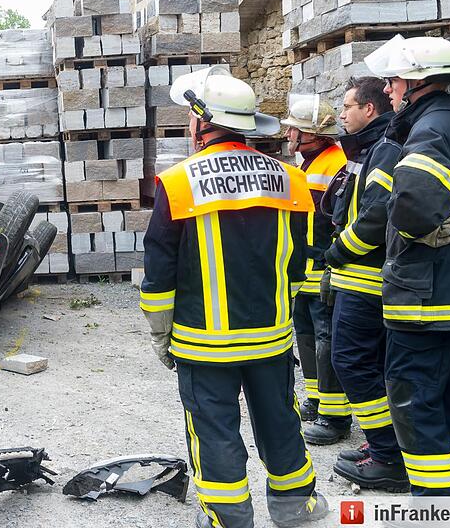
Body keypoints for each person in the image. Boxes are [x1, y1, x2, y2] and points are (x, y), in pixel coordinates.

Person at [141, 66, 328, 528]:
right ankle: (295, 506)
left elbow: (159, 271)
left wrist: (161, 335)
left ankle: (228, 518)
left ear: (203, 122)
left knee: (214, 429)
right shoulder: (291, 180)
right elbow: (300, 263)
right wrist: (281, 313)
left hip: (203, 342)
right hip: (271, 337)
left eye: (191, 116)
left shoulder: (178, 183)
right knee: (280, 420)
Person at [364, 35, 450, 496]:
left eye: (393, 81)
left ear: (415, 82)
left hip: (427, 298)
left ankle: (435, 506)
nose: (388, 91)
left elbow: (416, 203)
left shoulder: (429, 130)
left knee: (414, 401)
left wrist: (413, 233)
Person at [317, 76, 407, 490]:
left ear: (369, 109)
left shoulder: (384, 149)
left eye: (347, 106)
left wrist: (337, 253)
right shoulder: (368, 148)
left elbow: (376, 215)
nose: (341, 114)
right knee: (364, 364)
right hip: (357, 278)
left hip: (365, 280)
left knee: (351, 362)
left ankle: (387, 454)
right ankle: (384, 445)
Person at [280, 95, 351, 446]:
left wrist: (330, 266)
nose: (288, 134)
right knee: (307, 336)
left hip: (324, 269)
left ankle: (335, 416)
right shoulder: (308, 162)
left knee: (326, 340)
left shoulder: (337, 163)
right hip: (304, 271)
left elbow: (338, 220)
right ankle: (317, 398)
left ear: (312, 134)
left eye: (294, 128)